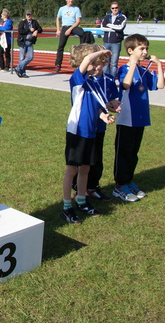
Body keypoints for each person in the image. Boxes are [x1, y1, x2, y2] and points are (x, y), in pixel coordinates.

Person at [60, 44, 116, 224]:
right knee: (72, 169)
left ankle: (82, 200)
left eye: (100, 63)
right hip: (77, 131)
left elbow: (96, 107)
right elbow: (86, 62)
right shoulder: (78, 79)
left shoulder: (95, 84)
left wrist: (104, 116)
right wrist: (100, 52)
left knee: (85, 168)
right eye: (94, 62)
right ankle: (67, 206)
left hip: (91, 131)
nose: (97, 66)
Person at [112, 34, 165, 202]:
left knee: (134, 153)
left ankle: (128, 181)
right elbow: (126, 85)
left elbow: (159, 85)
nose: (145, 51)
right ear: (130, 50)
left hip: (141, 118)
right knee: (124, 152)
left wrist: (159, 65)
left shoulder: (144, 70)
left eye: (146, 48)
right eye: (141, 48)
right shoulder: (124, 69)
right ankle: (119, 186)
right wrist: (133, 63)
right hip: (127, 119)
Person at [54, 0, 85, 73]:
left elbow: (78, 21)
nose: (71, 0)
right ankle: (58, 64)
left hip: (73, 26)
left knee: (83, 33)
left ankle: (81, 49)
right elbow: (58, 19)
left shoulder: (76, 9)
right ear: (66, 0)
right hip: (65, 27)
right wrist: (58, 29)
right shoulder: (62, 9)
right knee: (60, 46)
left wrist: (70, 29)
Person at [100, 1, 128, 77]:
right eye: (113, 8)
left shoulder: (122, 17)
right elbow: (102, 27)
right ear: (110, 9)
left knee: (114, 63)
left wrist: (109, 25)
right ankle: (106, 78)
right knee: (106, 62)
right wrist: (113, 28)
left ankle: (112, 79)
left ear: (119, 8)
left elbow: (120, 28)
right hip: (106, 42)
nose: (115, 9)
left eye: (116, 8)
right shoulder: (107, 17)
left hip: (116, 42)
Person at [15, 10, 42, 78]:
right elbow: (20, 31)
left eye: (30, 14)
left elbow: (40, 29)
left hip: (30, 42)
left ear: (32, 15)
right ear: (25, 15)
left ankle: (18, 68)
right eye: (27, 15)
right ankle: (22, 73)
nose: (29, 16)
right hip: (23, 42)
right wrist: (29, 30)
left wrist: (36, 30)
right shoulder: (22, 22)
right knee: (22, 57)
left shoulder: (34, 22)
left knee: (30, 57)